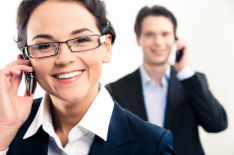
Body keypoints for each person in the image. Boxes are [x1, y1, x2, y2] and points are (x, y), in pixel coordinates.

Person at [0, 1, 175, 155]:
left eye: (81, 40)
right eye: (44, 45)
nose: (64, 59)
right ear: (26, 59)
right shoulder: (10, 129)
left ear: (106, 48)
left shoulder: (152, 145)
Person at [106, 5, 228, 155]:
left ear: (175, 39)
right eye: (150, 34)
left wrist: (184, 72)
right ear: (139, 39)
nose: (158, 41)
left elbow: (218, 124)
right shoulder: (116, 90)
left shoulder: (191, 81)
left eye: (165, 34)